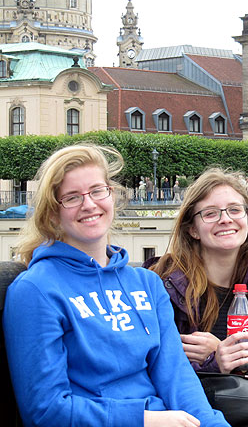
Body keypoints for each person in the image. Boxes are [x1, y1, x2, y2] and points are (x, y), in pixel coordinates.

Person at [3, 144, 229, 427]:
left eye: (97, 191)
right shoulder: (35, 291)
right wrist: (144, 420)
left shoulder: (147, 284)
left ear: (112, 196)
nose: (89, 204)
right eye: (72, 197)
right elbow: (45, 410)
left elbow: (177, 378)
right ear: (52, 214)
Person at [147, 167, 248, 393]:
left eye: (234, 210)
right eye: (210, 213)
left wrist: (230, 354)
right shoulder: (165, 284)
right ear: (193, 230)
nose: (226, 219)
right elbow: (155, 370)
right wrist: (216, 362)